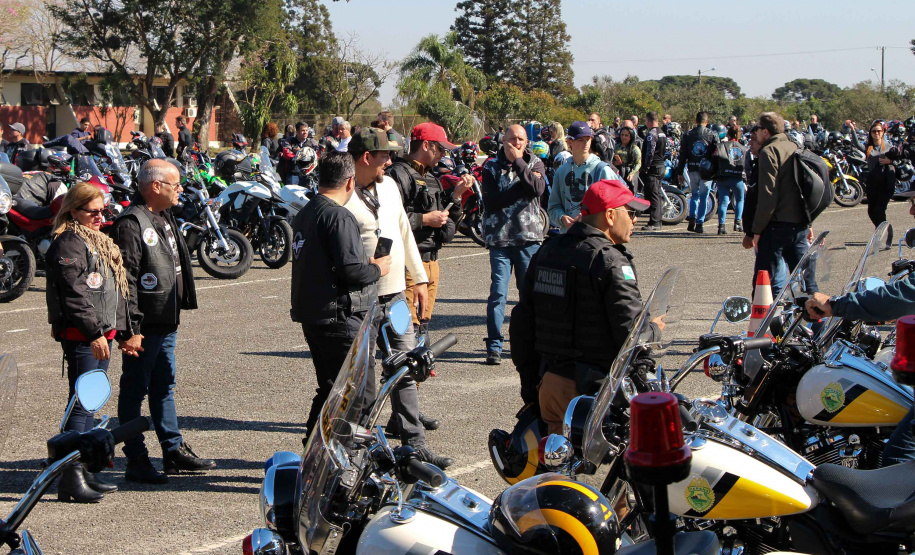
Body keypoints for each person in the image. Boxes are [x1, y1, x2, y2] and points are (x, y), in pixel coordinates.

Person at [510, 179, 662, 433]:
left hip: (550, 385)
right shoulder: (611, 261)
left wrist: (531, 383)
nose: (636, 220)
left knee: (557, 465)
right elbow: (630, 332)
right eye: (631, 212)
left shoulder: (547, 251)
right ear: (611, 215)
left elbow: (522, 323)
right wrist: (653, 330)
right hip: (596, 394)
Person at [342, 128, 453, 467]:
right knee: (363, 381)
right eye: (384, 156)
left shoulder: (389, 186)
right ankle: (356, 452)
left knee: (408, 366)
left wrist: (418, 278)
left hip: (396, 299)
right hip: (361, 302)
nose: (390, 161)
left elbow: (405, 231)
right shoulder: (342, 195)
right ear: (365, 158)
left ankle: (416, 447)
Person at [110, 159, 215, 484]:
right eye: (175, 185)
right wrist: (130, 330)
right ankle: (136, 459)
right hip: (145, 326)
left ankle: (173, 450)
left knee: (164, 385)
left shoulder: (164, 216)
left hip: (166, 321)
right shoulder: (131, 223)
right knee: (134, 390)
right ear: (156, 186)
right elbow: (123, 280)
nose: (180, 190)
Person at [45, 182, 141, 502]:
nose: (101, 217)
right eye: (94, 212)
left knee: (92, 403)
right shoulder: (69, 243)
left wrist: (123, 332)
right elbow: (75, 297)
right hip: (84, 337)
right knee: (81, 405)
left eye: (104, 211)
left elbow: (113, 292)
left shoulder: (98, 240)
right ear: (74, 211)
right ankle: (69, 480)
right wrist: (94, 333)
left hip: (103, 335)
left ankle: (84, 470)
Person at [290, 151, 392, 442]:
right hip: (339, 317)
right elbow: (352, 271)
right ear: (350, 182)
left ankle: (314, 448)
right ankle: (343, 455)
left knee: (330, 387)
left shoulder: (306, 212)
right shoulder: (338, 216)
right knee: (356, 392)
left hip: (315, 314)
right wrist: (376, 267)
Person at [386, 122, 471, 343]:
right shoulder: (398, 174)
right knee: (406, 333)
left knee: (422, 329)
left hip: (431, 264)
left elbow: (448, 226)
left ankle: (415, 377)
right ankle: (406, 377)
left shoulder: (431, 178)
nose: (443, 154)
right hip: (409, 265)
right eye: (440, 148)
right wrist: (424, 219)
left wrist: (456, 196)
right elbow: (387, 219)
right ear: (426, 145)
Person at [480, 124, 546, 365]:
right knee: (498, 293)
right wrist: (523, 187)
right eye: (512, 139)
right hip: (500, 240)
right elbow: (493, 201)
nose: (516, 143)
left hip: (529, 240)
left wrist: (520, 164)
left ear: (526, 142)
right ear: (503, 141)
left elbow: (538, 189)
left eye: (521, 139)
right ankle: (494, 345)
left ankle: (530, 342)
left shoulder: (536, 163)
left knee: (528, 294)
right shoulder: (491, 166)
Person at [750, 112, 808, 299]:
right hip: (799, 225)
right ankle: (815, 324)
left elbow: (768, 195)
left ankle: (765, 326)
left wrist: (756, 230)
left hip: (776, 227)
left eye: (758, 129)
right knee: (806, 281)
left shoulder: (769, 151)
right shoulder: (794, 146)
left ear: (765, 132)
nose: (756, 133)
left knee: (765, 286)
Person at [548, 121, 619, 232]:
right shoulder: (561, 171)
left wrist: (589, 217)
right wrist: (562, 218)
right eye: (580, 140)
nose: (585, 143)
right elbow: (553, 207)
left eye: (588, 139)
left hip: (595, 239)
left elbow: (617, 205)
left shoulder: (602, 170)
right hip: (568, 238)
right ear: (569, 142)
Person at [676, 111, 719, 233]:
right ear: (707, 121)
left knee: (694, 195)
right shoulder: (712, 134)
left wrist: (680, 171)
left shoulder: (688, 135)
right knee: (704, 197)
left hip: (692, 168)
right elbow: (717, 154)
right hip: (706, 170)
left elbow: (682, 154)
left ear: (696, 121)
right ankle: (699, 223)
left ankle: (692, 220)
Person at [850, 120, 897, 227]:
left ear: (883, 132)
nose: (876, 133)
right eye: (874, 131)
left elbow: (900, 161)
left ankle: (884, 232)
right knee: (871, 211)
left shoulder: (889, 147)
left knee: (879, 210)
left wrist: (890, 161)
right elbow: (856, 144)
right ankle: (880, 230)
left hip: (886, 183)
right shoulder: (869, 147)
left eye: (879, 131)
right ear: (871, 133)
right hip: (873, 183)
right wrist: (852, 129)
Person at [711, 126, 748, 234]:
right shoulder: (743, 148)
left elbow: (714, 157)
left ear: (728, 134)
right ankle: (737, 223)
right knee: (740, 200)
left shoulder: (721, 146)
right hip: (737, 178)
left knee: (723, 201)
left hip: (723, 177)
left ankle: (721, 226)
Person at [639, 112, 666, 231]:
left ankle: (655, 222)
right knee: (657, 193)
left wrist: (645, 167)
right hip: (660, 166)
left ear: (649, 120)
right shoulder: (662, 133)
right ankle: (656, 220)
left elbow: (650, 152)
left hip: (654, 167)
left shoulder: (652, 134)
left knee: (654, 194)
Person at [612, 126, 642, 193]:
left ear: (630, 137)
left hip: (629, 173)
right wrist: (615, 163)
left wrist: (632, 174)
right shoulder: (616, 147)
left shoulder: (635, 149)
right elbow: (610, 160)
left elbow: (638, 163)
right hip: (618, 173)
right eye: (622, 135)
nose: (623, 137)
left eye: (626, 135)